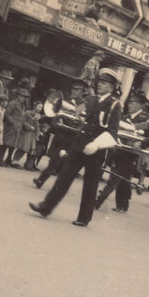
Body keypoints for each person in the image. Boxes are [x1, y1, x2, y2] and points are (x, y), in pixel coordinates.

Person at [29, 68, 123, 227]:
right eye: (100, 82)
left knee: (90, 185)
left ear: (112, 87)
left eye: (104, 83)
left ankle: (84, 217)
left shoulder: (114, 105)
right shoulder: (92, 99)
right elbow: (78, 114)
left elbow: (113, 132)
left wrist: (96, 144)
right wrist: (61, 110)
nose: (100, 85)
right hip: (79, 145)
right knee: (63, 178)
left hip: (96, 149)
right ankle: (45, 207)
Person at [96, 91, 149, 213]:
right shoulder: (125, 116)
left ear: (140, 105)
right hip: (120, 150)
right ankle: (123, 204)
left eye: (133, 103)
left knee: (115, 177)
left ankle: (99, 200)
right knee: (122, 177)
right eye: (130, 103)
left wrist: (141, 143)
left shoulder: (145, 119)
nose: (130, 105)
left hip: (131, 154)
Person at [33, 80, 88, 188]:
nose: (73, 91)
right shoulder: (66, 102)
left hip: (72, 138)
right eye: (73, 89)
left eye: (77, 90)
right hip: (61, 135)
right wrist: (42, 117)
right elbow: (56, 112)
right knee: (53, 160)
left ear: (83, 92)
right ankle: (41, 180)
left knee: (62, 164)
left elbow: (80, 119)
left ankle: (51, 184)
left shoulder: (84, 105)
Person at [0, 87, 28, 166]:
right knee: (4, 144)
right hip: (10, 127)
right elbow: (7, 114)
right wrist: (12, 122)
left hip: (17, 128)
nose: (23, 98)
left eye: (24, 97)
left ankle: (8, 159)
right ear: (18, 96)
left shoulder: (23, 105)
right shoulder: (13, 103)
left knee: (12, 145)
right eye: (22, 96)